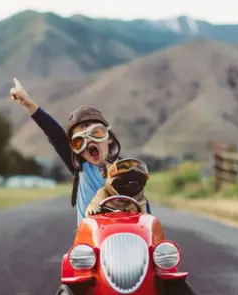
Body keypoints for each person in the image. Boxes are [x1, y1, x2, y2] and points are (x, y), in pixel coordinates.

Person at [9, 78, 151, 224]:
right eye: (79, 141)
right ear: (76, 150)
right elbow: (54, 134)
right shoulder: (81, 167)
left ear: (109, 137)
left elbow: (144, 208)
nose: (89, 140)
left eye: (96, 133)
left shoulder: (126, 169)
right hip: (90, 242)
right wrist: (27, 102)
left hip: (124, 237)